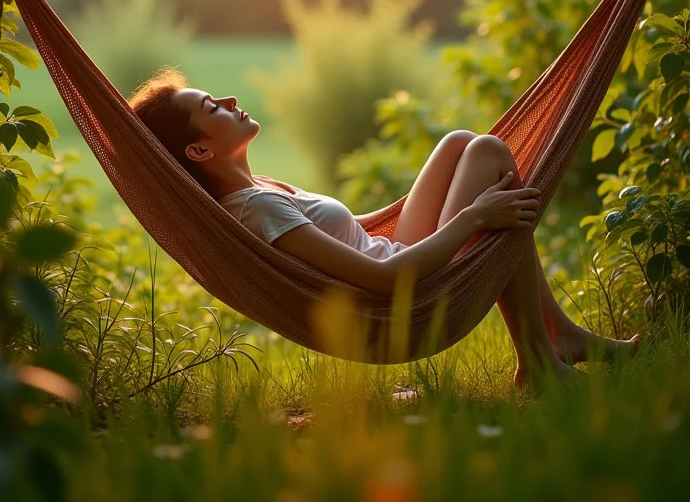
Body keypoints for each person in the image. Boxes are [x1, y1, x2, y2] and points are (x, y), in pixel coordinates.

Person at [128, 68, 640, 391]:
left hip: (398, 255)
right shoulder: (259, 209)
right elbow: (382, 280)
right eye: (211, 107)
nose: (230, 99)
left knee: (467, 142)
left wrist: (476, 215)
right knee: (489, 160)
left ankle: (557, 338)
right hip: (401, 302)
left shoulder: (261, 187)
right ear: (198, 151)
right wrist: (474, 218)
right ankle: (541, 360)